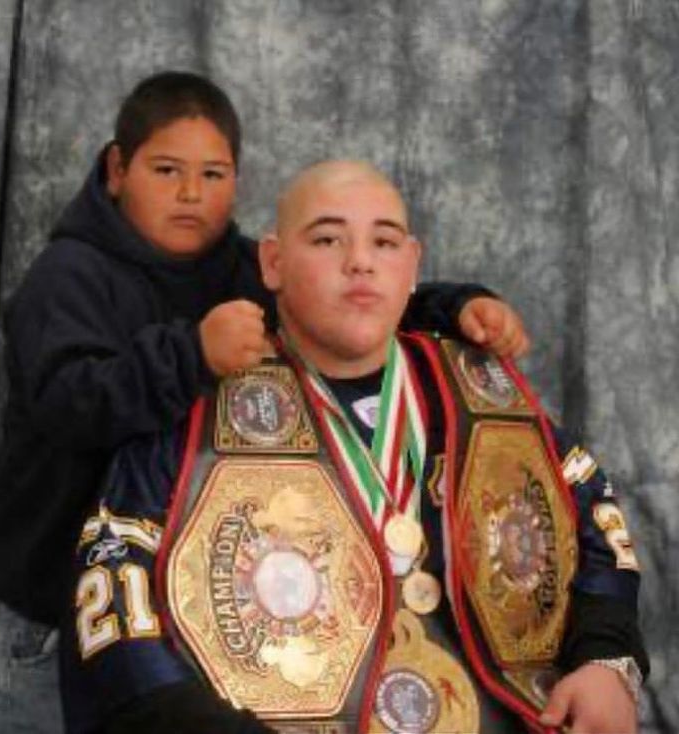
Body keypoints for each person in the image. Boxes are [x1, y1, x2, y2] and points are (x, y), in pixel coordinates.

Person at [0, 73, 528, 732]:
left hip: (190, 567)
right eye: (167, 170)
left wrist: (460, 306)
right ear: (117, 168)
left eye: (214, 175)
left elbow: (343, 296)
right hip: (62, 581)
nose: (191, 193)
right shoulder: (66, 277)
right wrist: (191, 355)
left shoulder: (245, 268)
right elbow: (69, 404)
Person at [58, 160, 647, 734]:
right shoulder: (202, 401)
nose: (361, 262)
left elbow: (594, 516)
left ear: (412, 264)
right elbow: (111, 600)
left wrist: (607, 662)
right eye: (327, 239)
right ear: (273, 263)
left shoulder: (478, 389)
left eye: (385, 243)